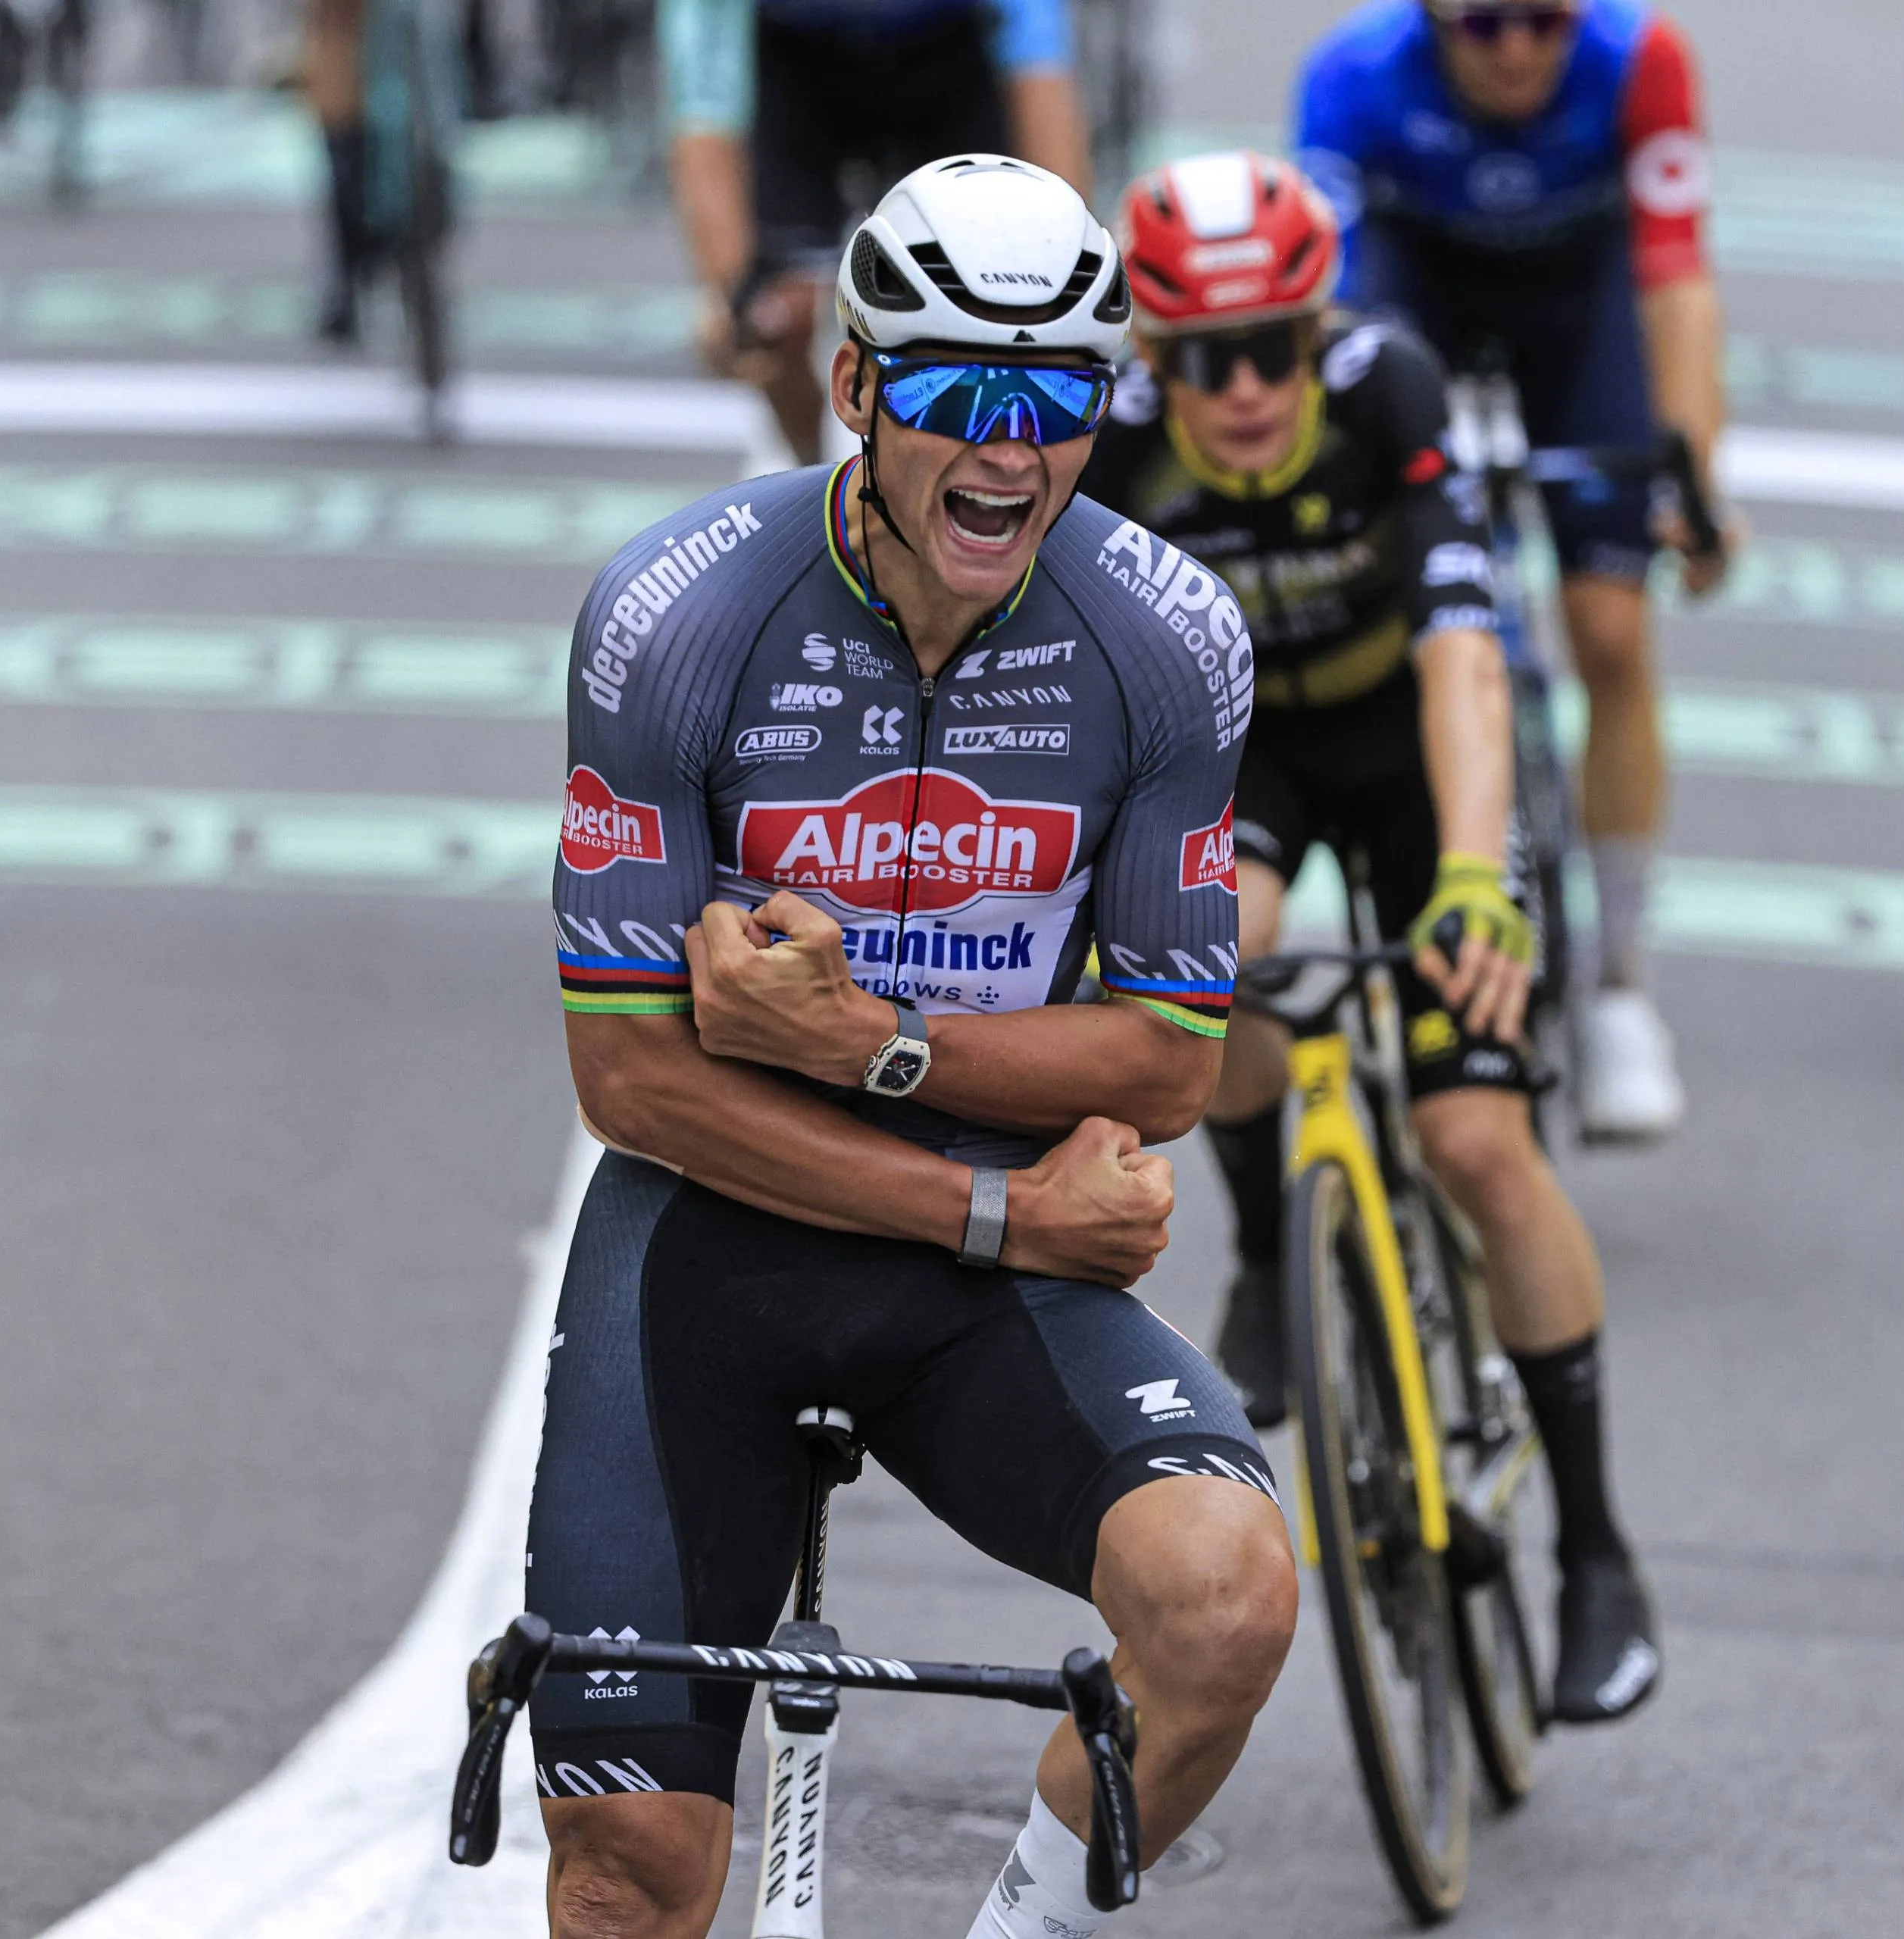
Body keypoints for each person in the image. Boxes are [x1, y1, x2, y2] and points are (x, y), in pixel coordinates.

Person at [529, 155, 1293, 1939]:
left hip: (966, 1261)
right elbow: (634, 1081)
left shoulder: (1167, 641)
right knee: (635, 1870)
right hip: (710, 1241)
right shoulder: (678, 618)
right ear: (857, 387)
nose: (1008, 450)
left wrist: (869, 1037)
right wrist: (1002, 1216)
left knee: (1227, 1600)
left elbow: (1169, 1063)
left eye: (1057, 398)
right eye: (958, 391)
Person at [1079, 148, 1660, 1723]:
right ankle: (1274, 1248)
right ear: (1153, 359)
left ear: (1317, 329)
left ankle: (1596, 1549)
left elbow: (1470, 663)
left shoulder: (1389, 389)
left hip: (1418, 756)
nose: (1247, 388)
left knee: (1476, 1137)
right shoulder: (1116, 446)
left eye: (1273, 347)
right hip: (1250, 748)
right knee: (1217, 964)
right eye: (1206, 358)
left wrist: (1477, 882)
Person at [1295, 0, 1738, 1143]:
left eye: (1545, 22)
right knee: (1410, 607)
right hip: (1417, 288)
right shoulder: (1352, 75)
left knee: (1608, 629)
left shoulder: (1642, 60)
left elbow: (1678, 278)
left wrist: (1690, 472)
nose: (1517, 51)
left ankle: (1622, 986)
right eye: (1483, 25)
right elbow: (1333, 323)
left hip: (1577, 301)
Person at [654, 0, 1093, 461]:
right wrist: (730, 289)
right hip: (794, 58)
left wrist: (1063, 262)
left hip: (947, 50)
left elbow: (1039, 55)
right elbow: (702, 86)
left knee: (1012, 298)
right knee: (769, 321)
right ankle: (811, 480)